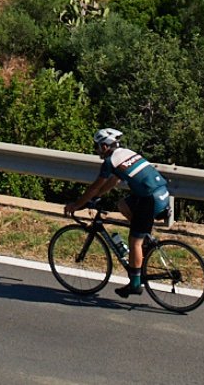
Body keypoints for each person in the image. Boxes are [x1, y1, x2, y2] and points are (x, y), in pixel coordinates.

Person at [64, 127, 173, 296]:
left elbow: (94, 187)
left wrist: (77, 205)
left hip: (150, 199)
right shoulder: (125, 153)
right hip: (161, 193)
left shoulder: (109, 161)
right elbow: (114, 181)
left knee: (134, 241)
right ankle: (143, 238)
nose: (96, 150)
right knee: (122, 204)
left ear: (105, 146)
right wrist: (98, 196)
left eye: (98, 146)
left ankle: (135, 284)